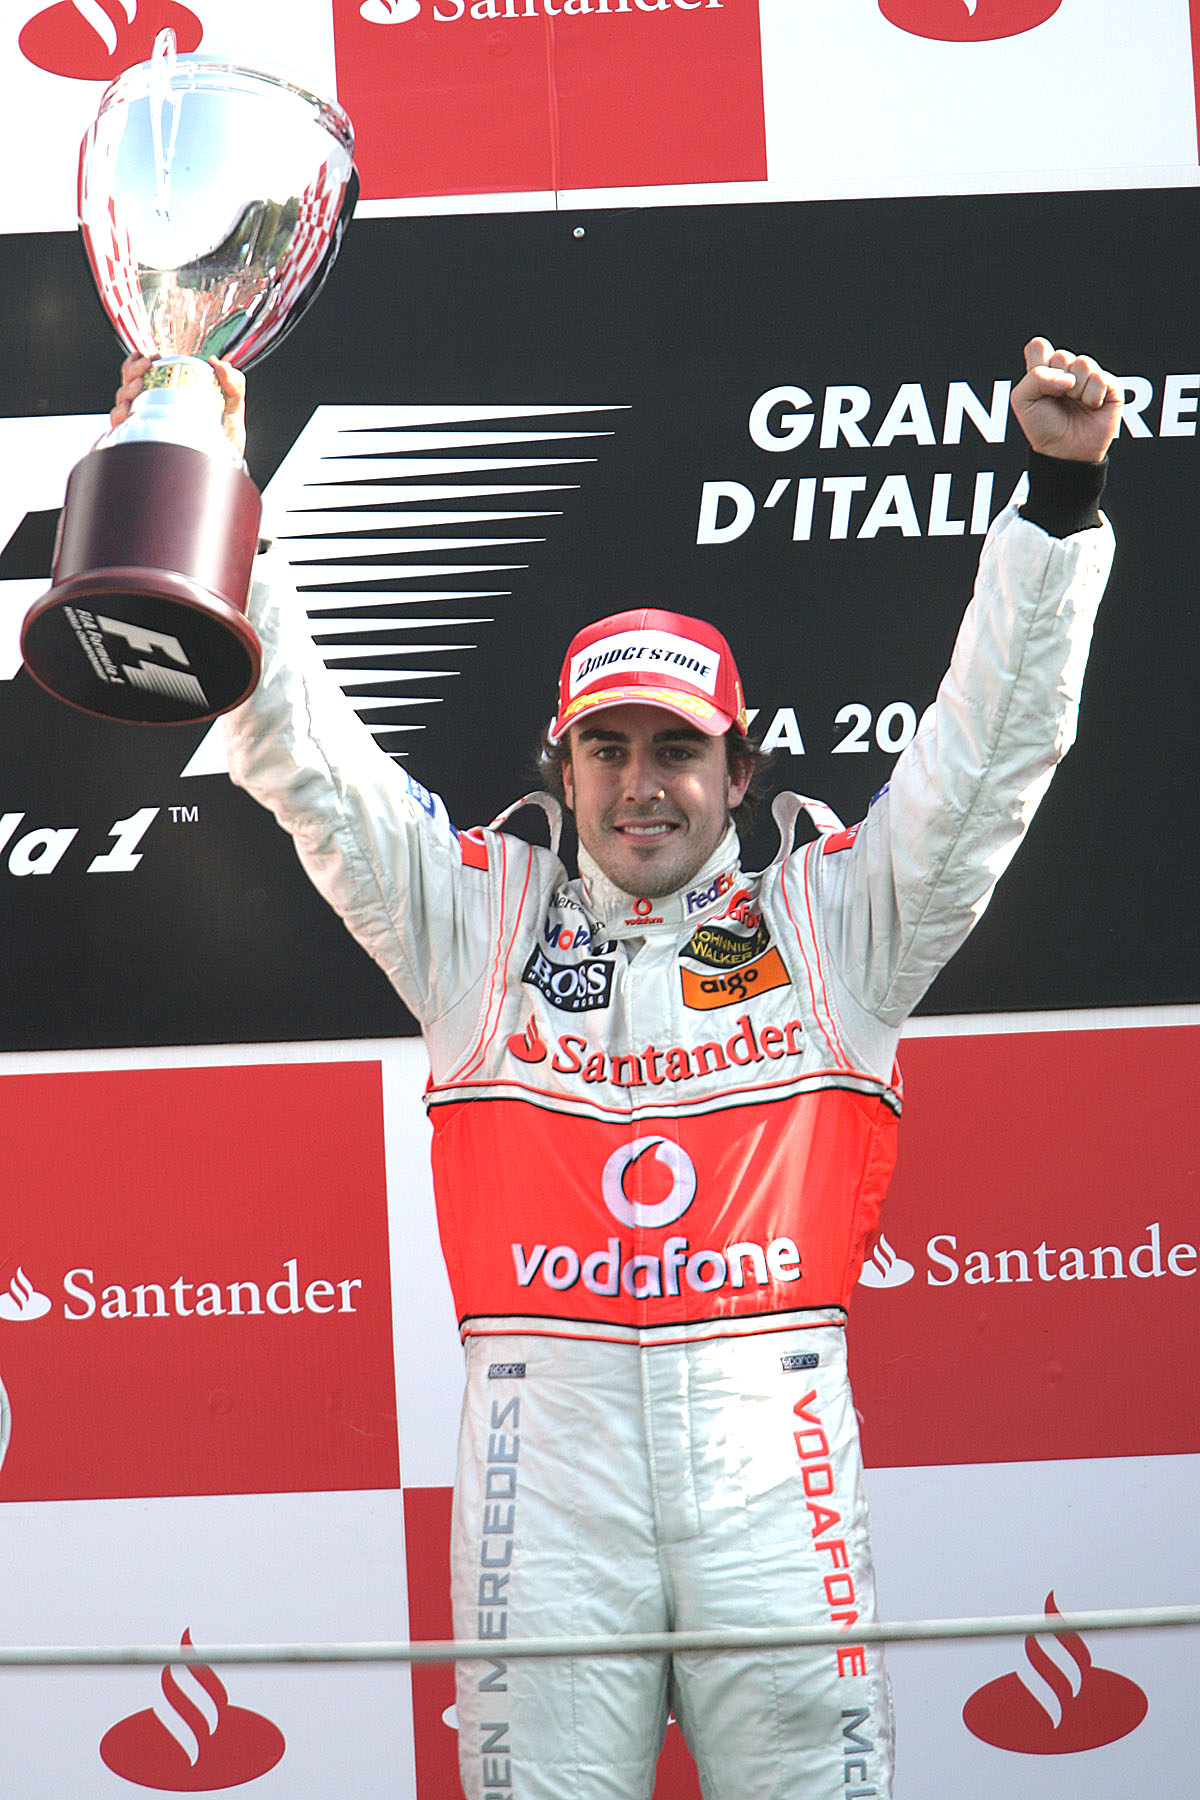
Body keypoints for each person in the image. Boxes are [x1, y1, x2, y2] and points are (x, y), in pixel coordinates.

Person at [115, 336, 1120, 1800]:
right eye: (609, 749)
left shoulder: (840, 921)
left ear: (742, 767)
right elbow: (307, 758)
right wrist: (211, 483)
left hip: (774, 1456)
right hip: (545, 1457)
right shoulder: (471, 918)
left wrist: (1057, 501)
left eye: (678, 750)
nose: (643, 784)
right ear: (561, 763)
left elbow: (989, 760)